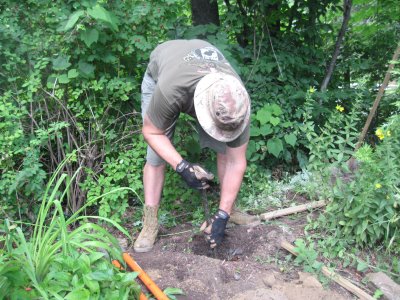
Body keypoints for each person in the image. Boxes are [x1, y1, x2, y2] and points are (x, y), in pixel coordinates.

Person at [134, 39, 259, 253]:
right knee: (156, 157)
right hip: (165, 71)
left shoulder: (237, 103)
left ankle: (228, 207)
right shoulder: (171, 89)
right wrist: (182, 167)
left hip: (201, 73)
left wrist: (222, 215)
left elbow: (236, 161)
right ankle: (150, 223)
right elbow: (151, 132)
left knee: (225, 150)